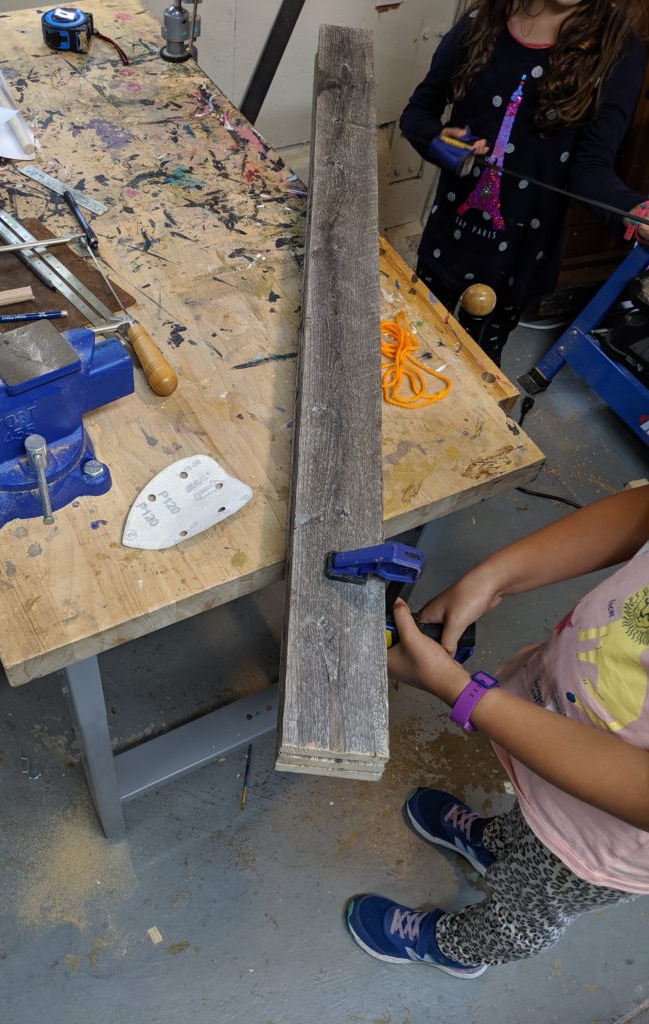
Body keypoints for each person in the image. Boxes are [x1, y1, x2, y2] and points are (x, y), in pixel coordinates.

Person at [346, 484, 649, 978]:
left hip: (604, 836)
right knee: (533, 822)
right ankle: (499, 841)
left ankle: (454, 946)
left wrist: (464, 694)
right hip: (556, 731)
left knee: (527, 908)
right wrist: (495, 578)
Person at [399, 0, 649, 366]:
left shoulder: (620, 51)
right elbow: (417, 113)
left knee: (479, 368)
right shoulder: (481, 19)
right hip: (447, 238)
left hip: (520, 258)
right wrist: (437, 141)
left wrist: (632, 211)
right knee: (412, 346)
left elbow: (591, 168)